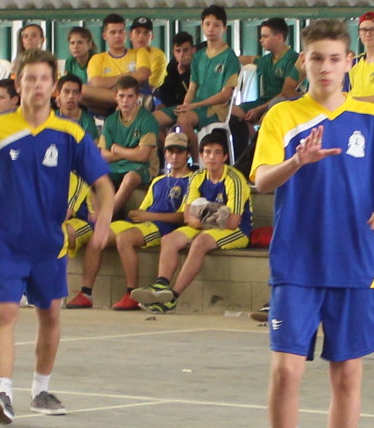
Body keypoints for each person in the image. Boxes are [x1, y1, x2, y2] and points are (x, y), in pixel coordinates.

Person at [251, 20, 374, 428]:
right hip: (297, 261)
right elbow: (260, 181)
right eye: (316, 58)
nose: (325, 66)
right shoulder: (283, 116)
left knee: (347, 377)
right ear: (305, 62)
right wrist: (295, 163)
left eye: (334, 58)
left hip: (356, 264)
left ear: (349, 63)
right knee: (286, 372)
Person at [0, 54, 112, 424]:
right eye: (30, 78)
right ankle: (3, 391)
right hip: (3, 240)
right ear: (18, 82)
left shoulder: (70, 134)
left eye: (45, 79)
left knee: (50, 313)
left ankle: (41, 389)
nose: (37, 85)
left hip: (48, 242)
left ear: (55, 85)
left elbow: (103, 185)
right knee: (7, 311)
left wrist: (104, 219)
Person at [74, 78, 163, 307]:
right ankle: (86, 293)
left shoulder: (146, 120)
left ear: (138, 98)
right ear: (116, 97)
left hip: (142, 170)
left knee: (131, 177)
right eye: (121, 96)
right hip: (115, 169)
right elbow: (102, 155)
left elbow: (143, 156)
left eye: (130, 96)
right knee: (95, 177)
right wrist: (124, 152)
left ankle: (108, 215)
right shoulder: (112, 120)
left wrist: (116, 150)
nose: (125, 101)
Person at [142, 129, 251, 312]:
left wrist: (200, 216)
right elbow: (187, 216)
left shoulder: (235, 180)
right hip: (206, 225)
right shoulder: (197, 177)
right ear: (200, 155)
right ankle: (161, 285)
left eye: (217, 152)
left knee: (200, 242)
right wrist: (214, 216)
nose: (212, 157)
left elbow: (232, 222)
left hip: (237, 230)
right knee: (169, 239)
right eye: (207, 152)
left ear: (225, 156)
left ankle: (171, 298)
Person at [102, 134, 193, 311]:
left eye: (180, 152)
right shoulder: (158, 181)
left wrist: (148, 217)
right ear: (164, 154)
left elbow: (183, 216)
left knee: (124, 239)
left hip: (163, 226)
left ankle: (131, 293)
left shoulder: (192, 180)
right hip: (145, 222)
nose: (175, 156)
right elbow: (143, 210)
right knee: (99, 235)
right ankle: (86, 290)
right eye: (171, 152)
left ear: (187, 154)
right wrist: (137, 214)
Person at [176, 6, 241, 141]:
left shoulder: (229, 57)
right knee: (158, 119)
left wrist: (195, 105)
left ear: (224, 28)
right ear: (202, 26)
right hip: (195, 107)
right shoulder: (198, 56)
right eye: (207, 24)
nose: (211, 28)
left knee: (183, 121)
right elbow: (192, 88)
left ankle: (194, 161)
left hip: (216, 111)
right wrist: (186, 105)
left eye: (216, 25)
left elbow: (225, 94)